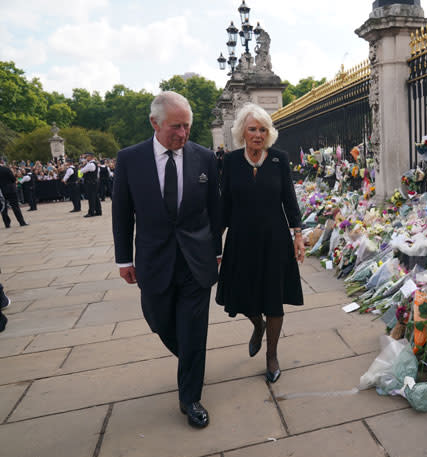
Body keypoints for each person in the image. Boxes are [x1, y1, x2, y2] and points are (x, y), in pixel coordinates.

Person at [112, 91, 221, 429]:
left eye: (187, 126)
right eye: (176, 127)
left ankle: (190, 397)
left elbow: (215, 210)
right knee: (159, 320)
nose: (183, 134)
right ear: (154, 123)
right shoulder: (130, 159)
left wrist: (216, 250)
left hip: (196, 259)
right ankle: (190, 360)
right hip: (153, 259)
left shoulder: (204, 158)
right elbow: (122, 212)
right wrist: (123, 259)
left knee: (193, 331)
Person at [215, 103, 305, 384]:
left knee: (274, 298)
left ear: (269, 133)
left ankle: (272, 355)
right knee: (242, 296)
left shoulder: (278, 159)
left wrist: (298, 234)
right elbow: (225, 203)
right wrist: (215, 240)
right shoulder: (229, 162)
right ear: (242, 131)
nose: (257, 134)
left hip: (275, 239)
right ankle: (257, 325)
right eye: (252, 128)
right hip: (241, 239)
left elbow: (289, 198)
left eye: (263, 129)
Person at [0, 162, 28, 227]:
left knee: (3, 208)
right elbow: (13, 179)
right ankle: (21, 222)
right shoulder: (6, 169)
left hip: (1, 191)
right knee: (15, 207)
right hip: (10, 189)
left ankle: (7, 224)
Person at [80, 152, 101, 217]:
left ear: (91, 157)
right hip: (94, 182)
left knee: (91, 198)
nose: (86, 158)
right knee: (95, 197)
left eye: (87, 156)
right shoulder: (93, 164)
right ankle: (98, 211)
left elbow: (81, 171)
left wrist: (84, 165)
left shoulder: (90, 164)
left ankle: (91, 212)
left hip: (91, 183)